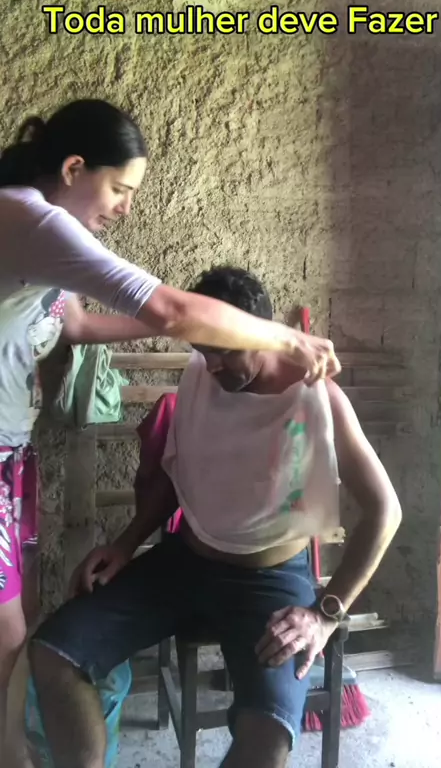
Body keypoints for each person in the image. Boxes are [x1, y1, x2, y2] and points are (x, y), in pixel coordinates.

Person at [0, 100, 341, 763]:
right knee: (11, 637)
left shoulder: (40, 233)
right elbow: (166, 307)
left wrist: (209, 331)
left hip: (13, 451)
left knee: (17, 622)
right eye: (120, 188)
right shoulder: (34, 219)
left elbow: (78, 324)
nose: (126, 208)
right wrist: (283, 338)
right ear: (74, 168)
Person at [29, 266, 402, 768]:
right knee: (54, 653)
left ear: (262, 334)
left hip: (268, 580)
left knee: (268, 737)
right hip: (185, 562)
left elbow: (385, 510)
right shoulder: (200, 375)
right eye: (204, 349)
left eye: (226, 350)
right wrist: (125, 544)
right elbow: (176, 475)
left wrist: (324, 614)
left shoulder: (317, 397)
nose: (214, 364)